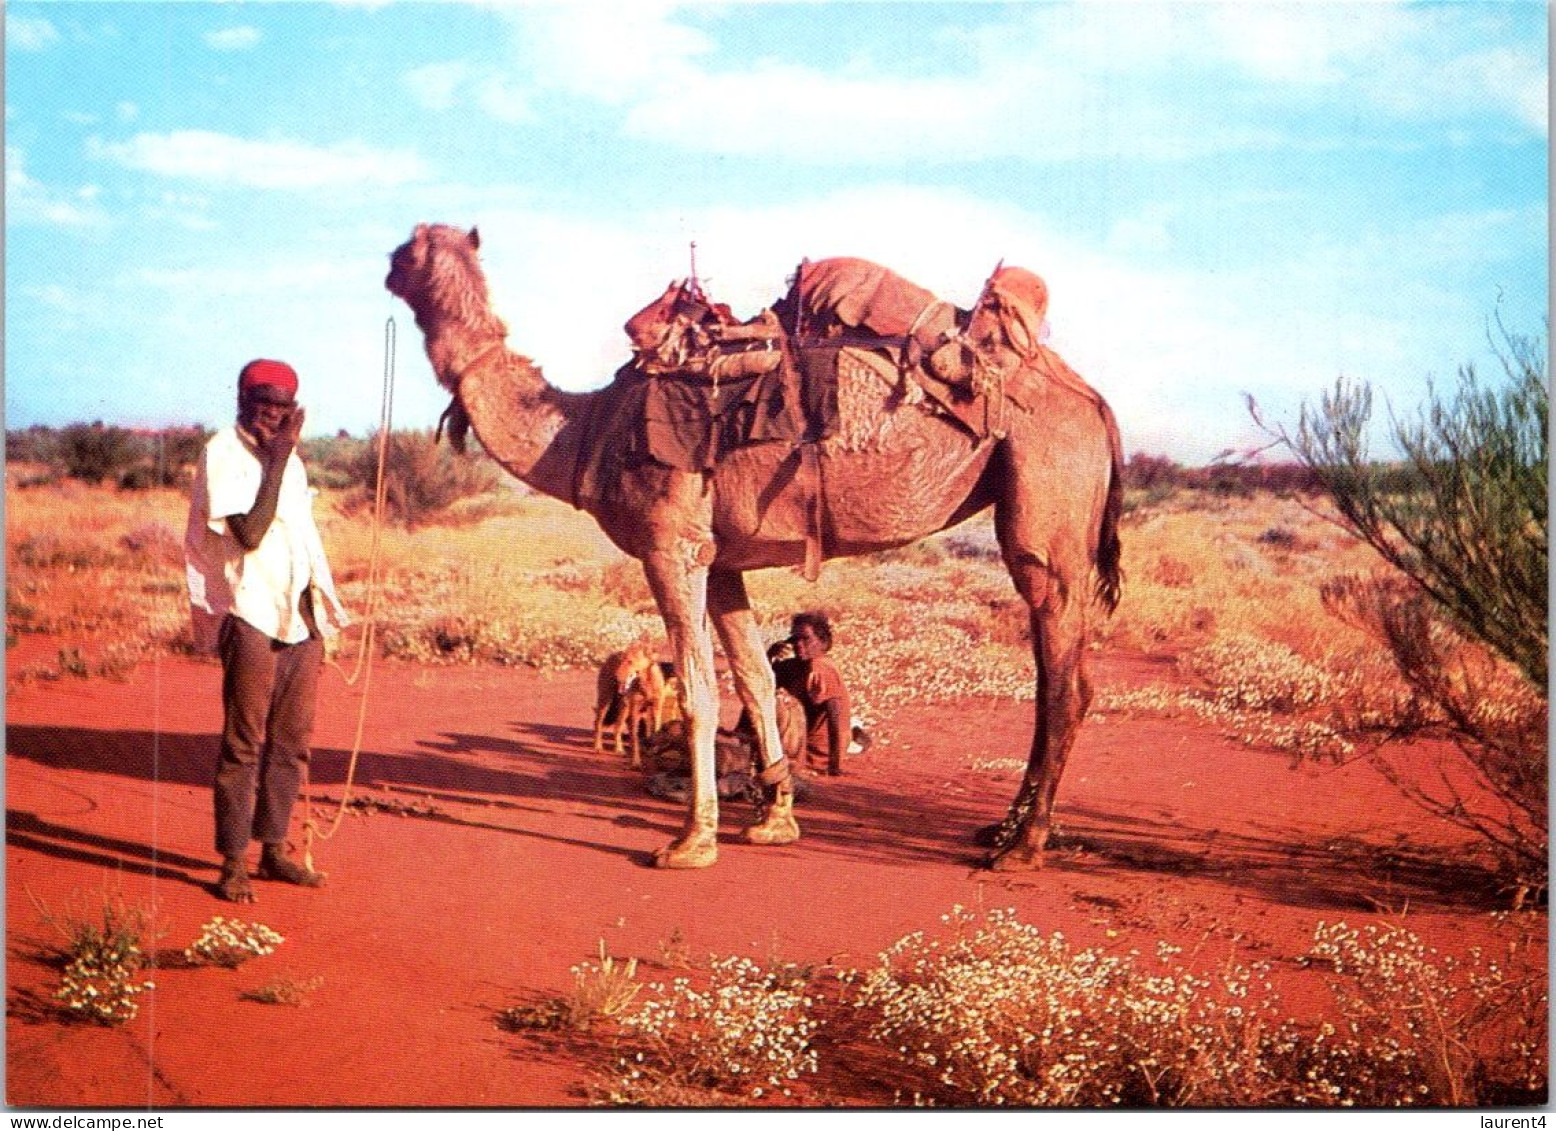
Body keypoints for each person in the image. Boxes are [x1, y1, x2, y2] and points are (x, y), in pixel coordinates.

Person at [184, 358, 349, 903]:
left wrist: (320, 612)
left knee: (292, 743)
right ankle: (233, 863)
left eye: (283, 408)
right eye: (264, 406)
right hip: (250, 612)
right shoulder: (223, 454)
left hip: (299, 617)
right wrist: (278, 459)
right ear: (242, 401)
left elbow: (301, 540)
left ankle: (273, 850)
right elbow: (251, 534)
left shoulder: (291, 459)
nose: (272, 417)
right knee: (243, 743)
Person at [767, 611, 851, 777]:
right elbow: (762, 684)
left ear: (822, 642)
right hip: (800, 746)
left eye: (806, 639)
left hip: (813, 755)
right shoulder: (795, 667)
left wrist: (835, 764)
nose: (799, 644)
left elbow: (835, 716)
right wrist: (769, 655)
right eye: (795, 639)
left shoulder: (821, 668)